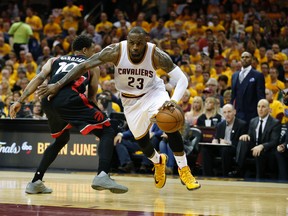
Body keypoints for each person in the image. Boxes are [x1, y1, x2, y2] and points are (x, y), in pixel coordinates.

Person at [37, 27, 201, 191]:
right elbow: (83, 66)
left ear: (146, 41)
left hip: (153, 94)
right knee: (142, 141)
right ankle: (158, 161)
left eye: (139, 43)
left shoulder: (155, 54)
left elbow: (182, 80)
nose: (135, 47)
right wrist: (57, 85)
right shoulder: (115, 51)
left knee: (170, 120)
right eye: (132, 43)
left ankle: (184, 170)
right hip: (130, 101)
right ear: (127, 42)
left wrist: (173, 100)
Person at [9, 35, 128, 194]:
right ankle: (102, 174)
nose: (93, 53)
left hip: (48, 100)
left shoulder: (54, 60)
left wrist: (20, 101)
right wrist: (102, 120)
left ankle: (36, 181)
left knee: (61, 139)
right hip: (69, 98)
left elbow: (39, 78)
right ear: (85, 50)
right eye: (93, 50)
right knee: (107, 130)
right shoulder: (92, 64)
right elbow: (92, 97)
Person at [236, 99, 281, 179]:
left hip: (267, 151)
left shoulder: (275, 123)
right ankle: (239, 169)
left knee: (259, 151)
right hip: (254, 148)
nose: (260, 109)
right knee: (243, 141)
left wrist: (261, 146)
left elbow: (274, 141)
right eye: (258, 106)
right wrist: (246, 136)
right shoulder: (253, 121)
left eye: (263, 107)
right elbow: (250, 137)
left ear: (269, 109)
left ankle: (259, 178)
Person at [201, 104, 247, 177]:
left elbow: (242, 144)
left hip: (233, 148)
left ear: (234, 112)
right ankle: (208, 176)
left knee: (225, 150)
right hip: (221, 147)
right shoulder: (220, 125)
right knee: (205, 149)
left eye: (229, 112)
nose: (227, 114)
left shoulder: (241, 124)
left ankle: (225, 175)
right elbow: (216, 137)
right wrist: (214, 141)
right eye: (225, 112)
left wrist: (228, 142)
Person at [231, 51, 265, 124]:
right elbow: (233, 96)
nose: (244, 59)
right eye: (242, 57)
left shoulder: (258, 75)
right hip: (237, 115)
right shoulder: (234, 75)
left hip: (252, 115)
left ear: (252, 59)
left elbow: (261, 97)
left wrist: (260, 113)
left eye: (247, 57)